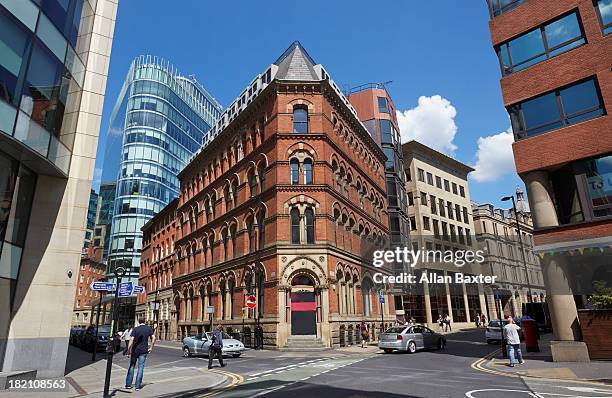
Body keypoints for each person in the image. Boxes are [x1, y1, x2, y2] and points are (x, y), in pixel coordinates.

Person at [125, 318, 156, 391]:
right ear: (145, 321)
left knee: (132, 366)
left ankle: (128, 385)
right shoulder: (148, 329)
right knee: (141, 367)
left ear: (139, 322)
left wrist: (128, 350)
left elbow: (131, 339)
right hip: (144, 350)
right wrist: (151, 347)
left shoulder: (135, 329)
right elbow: (154, 338)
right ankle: (137, 386)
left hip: (135, 351)